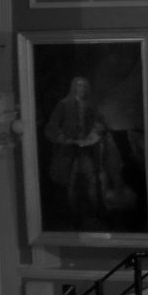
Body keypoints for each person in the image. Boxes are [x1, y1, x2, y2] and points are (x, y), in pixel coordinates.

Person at [42, 76, 124, 230]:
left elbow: (101, 124)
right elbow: (52, 127)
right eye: (79, 86)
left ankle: (96, 213)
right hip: (68, 151)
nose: (82, 89)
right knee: (71, 183)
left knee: (93, 180)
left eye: (85, 86)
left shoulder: (91, 106)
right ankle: (74, 217)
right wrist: (64, 139)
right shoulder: (63, 105)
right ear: (73, 87)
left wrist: (97, 132)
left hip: (87, 149)